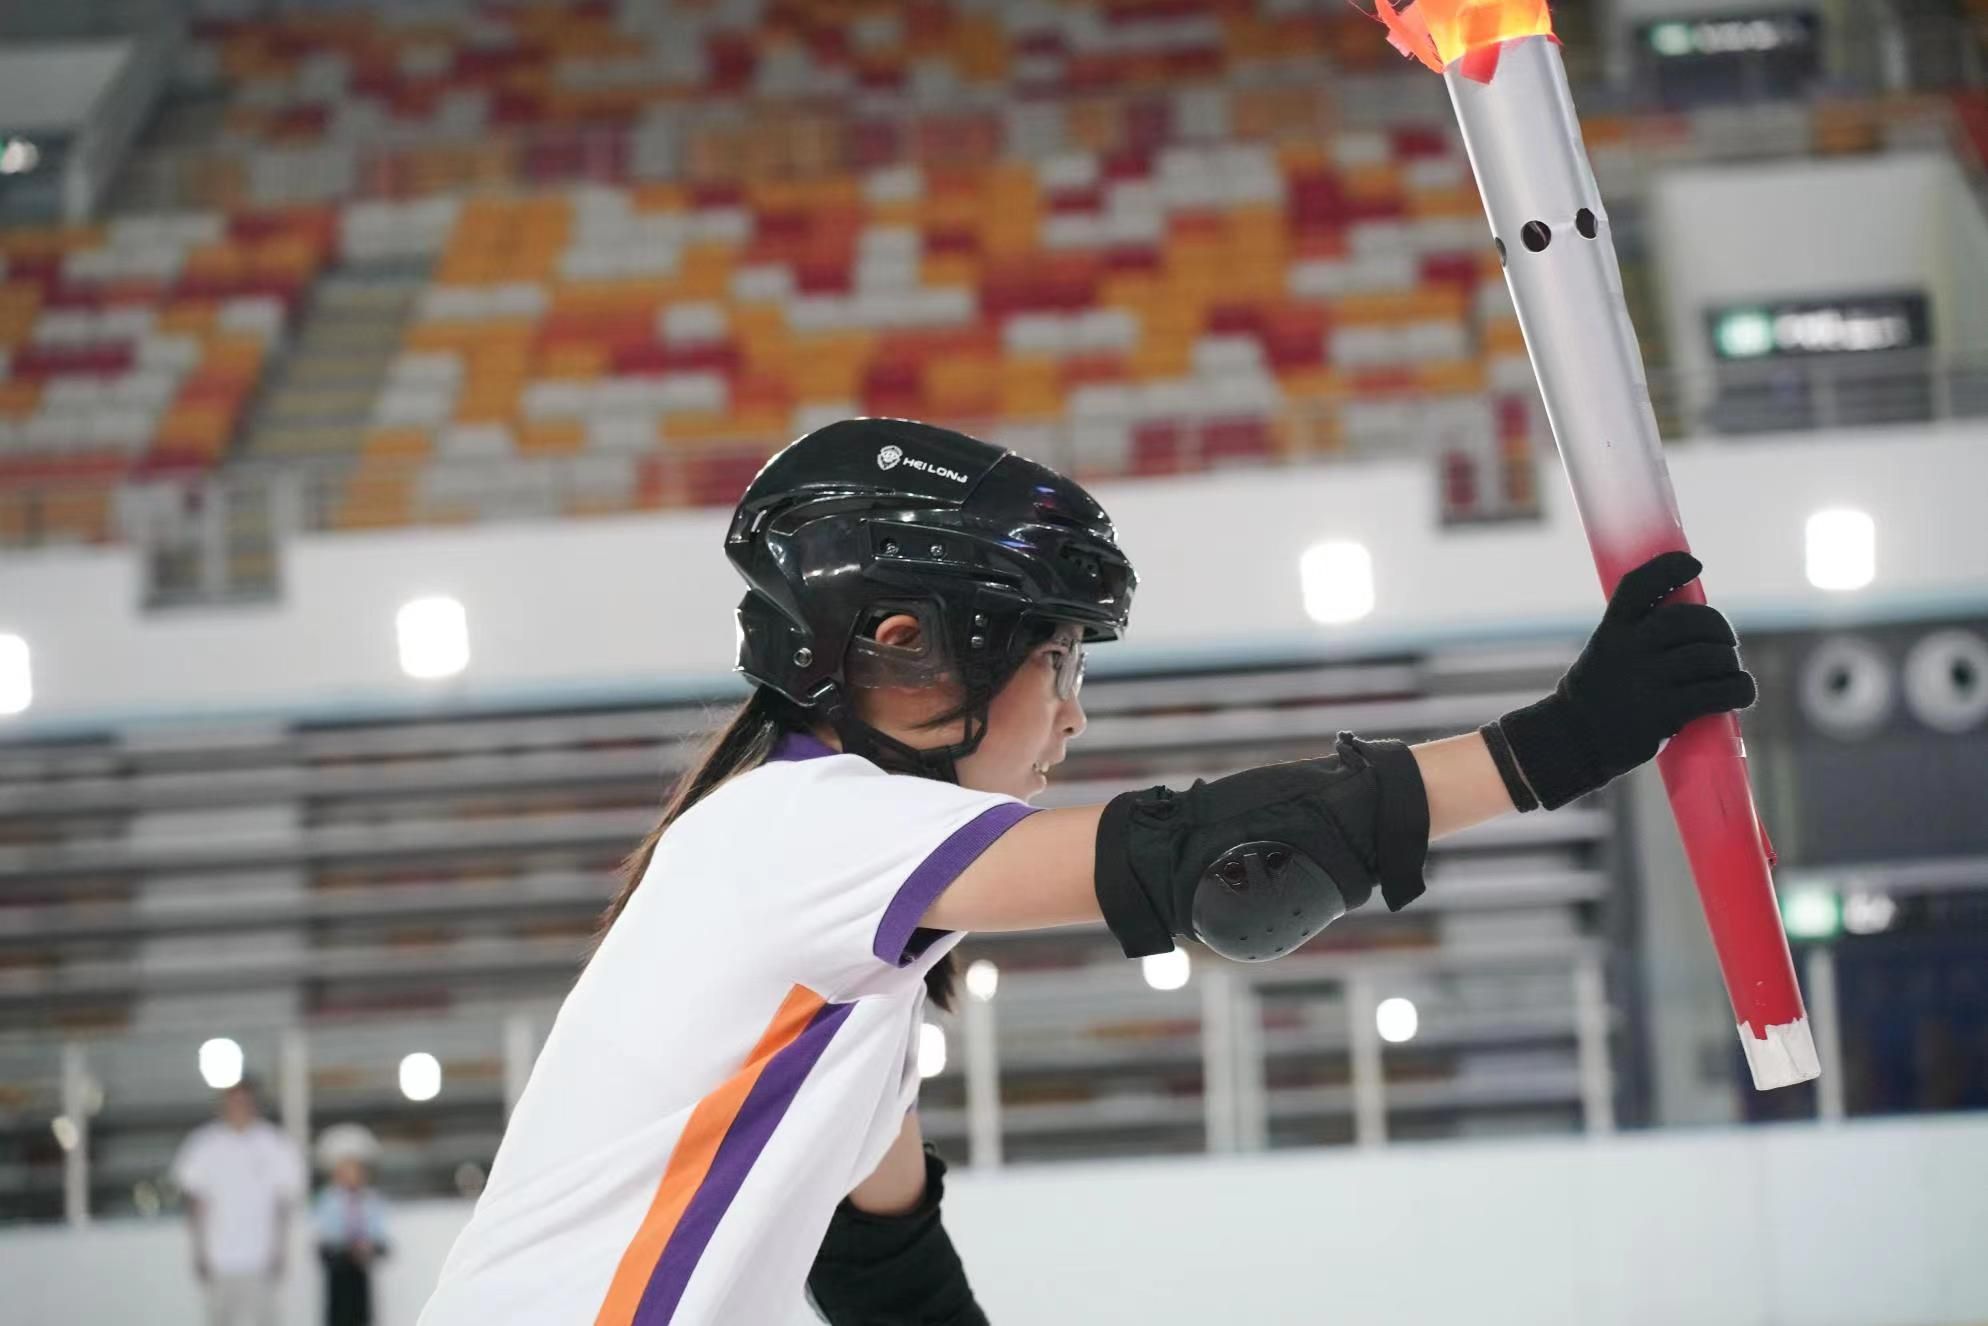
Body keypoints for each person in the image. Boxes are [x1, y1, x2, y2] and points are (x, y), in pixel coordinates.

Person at [417, 418, 1756, 1325]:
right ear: (908, 645)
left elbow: (884, 1269)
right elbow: (1217, 864)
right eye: (1055, 659)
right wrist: (1561, 743)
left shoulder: (836, 975)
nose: (1072, 715)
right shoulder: (795, 828)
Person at [174, 1078, 307, 1326]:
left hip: (260, 1257)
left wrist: (280, 1249)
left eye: (245, 1101)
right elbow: (195, 1202)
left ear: (255, 1104)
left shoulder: (275, 1143)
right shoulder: (203, 1144)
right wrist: (198, 1251)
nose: (239, 1107)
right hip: (219, 1258)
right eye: (233, 1102)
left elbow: (283, 1203)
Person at [313, 1124, 390, 1326]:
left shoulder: (371, 1200)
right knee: (338, 1313)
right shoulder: (328, 1200)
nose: (351, 1174)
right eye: (345, 1168)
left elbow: (379, 1233)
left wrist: (372, 1247)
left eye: (355, 1169)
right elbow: (325, 1236)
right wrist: (345, 1249)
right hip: (338, 1269)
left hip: (361, 1271)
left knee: (361, 1314)